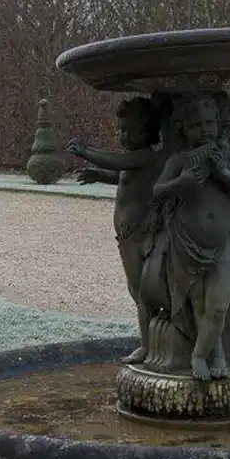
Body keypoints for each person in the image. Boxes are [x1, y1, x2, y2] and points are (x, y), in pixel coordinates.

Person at [140, 92, 230, 379]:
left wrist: (222, 173)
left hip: (222, 245)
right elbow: (158, 190)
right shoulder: (179, 160)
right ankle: (212, 356)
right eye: (196, 125)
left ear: (218, 124)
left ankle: (201, 353)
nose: (204, 130)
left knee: (217, 308)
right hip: (186, 244)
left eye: (209, 123)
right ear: (184, 130)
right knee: (198, 306)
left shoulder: (224, 156)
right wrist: (183, 182)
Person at [67, 96, 164, 363]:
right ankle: (152, 341)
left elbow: (117, 163)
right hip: (127, 233)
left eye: (128, 131)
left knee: (142, 292)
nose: (122, 136)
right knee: (138, 291)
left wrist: (86, 151)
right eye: (120, 130)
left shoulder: (146, 156)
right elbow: (125, 176)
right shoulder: (138, 161)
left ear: (147, 131)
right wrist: (101, 177)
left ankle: (148, 346)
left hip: (138, 233)